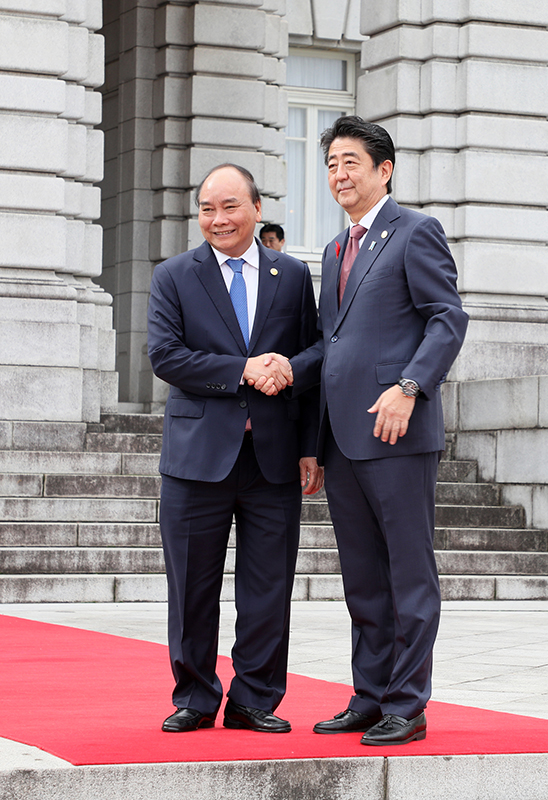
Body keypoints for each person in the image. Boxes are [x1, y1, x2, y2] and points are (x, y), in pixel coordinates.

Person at [148, 163, 323, 735]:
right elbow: (166, 357)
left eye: (228, 207)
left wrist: (308, 442)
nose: (217, 219)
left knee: (269, 587)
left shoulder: (292, 276)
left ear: (256, 208)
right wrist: (243, 370)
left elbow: (315, 354)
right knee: (192, 585)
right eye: (206, 208)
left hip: (272, 458)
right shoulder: (174, 275)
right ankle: (195, 696)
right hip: (197, 458)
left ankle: (254, 699)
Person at [311, 116, 468, 746]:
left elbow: (447, 319)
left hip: (397, 431)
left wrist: (409, 387)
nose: (339, 174)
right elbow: (331, 346)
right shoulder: (334, 250)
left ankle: (408, 701)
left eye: (351, 162)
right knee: (362, 578)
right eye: (330, 164)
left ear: (384, 170)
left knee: (407, 571)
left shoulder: (415, 232)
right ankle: (370, 695)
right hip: (344, 439)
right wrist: (313, 445)